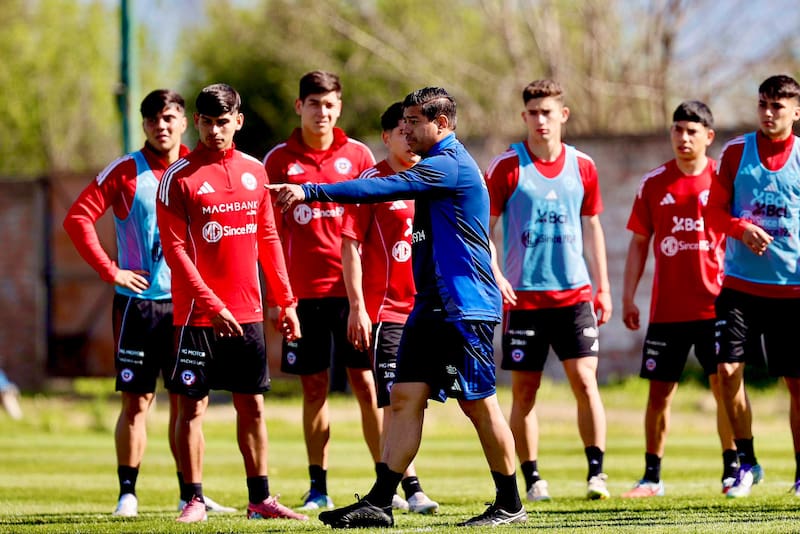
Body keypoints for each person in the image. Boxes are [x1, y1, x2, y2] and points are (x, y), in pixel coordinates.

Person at [268, 86, 527, 528]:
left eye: (412, 121)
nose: (404, 129)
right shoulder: (433, 164)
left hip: (463, 307)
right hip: (430, 307)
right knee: (404, 398)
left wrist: (310, 191)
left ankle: (509, 504)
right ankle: (380, 502)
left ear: (440, 124)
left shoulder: (449, 164)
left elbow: (382, 187)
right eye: (402, 121)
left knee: (479, 405)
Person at [63, 89, 234, 517]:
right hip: (138, 308)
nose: (162, 125)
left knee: (187, 402)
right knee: (137, 401)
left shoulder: (200, 169)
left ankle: (190, 494)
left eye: (170, 117)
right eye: (153, 118)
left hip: (187, 308)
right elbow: (78, 218)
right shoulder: (126, 171)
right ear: (144, 124)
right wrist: (111, 270)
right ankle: (128, 494)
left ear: (185, 122)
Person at [155, 83, 307, 523]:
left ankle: (260, 500)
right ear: (197, 122)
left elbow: (268, 238)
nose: (215, 131)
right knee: (192, 406)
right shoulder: (177, 178)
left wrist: (286, 302)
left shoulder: (255, 171)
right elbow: (175, 251)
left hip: (247, 314)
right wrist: (211, 304)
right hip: (196, 316)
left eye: (223, 122)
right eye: (207, 122)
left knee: (253, 406)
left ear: (238, 121)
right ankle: (193, 499)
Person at [484, 79, 612, 501]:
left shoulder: (583, 165)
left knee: (585, 381)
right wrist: (496, 273)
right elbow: (484, 228)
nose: (541, 120)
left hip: (574, 295)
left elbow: (593, 226)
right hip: (524, 298)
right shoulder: (507, 167)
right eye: (533, 113)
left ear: (563, 115)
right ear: (524, 116)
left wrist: (603, 288)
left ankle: (596, 474)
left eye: (548, 112)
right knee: (525, 391)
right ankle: (533, 477)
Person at [263, 70, 381, 511]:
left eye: (330, 104)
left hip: (353, 296)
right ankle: (318, 487)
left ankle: (386, 481)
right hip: (303, 298)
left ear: (340, 107)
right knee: (314, 390)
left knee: (367, 386)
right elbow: (268, 234)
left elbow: (374, 228)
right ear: (300, 107)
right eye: (314, 103)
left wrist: (368, 299)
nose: (322, 112)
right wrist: (279, 298)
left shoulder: (359, 155)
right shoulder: (278, 160)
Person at [620, 101, 739, 497]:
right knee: (659, 394)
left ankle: (732, 471)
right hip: (667, 311)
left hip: (715, 307)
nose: (683, 138)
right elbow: (639, 243)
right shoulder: (654, 183)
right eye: (677, 130)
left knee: (724, 389)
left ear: (709, 136)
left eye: (692, 131)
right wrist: (628, 297)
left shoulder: (723, 180)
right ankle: (651, 477)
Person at [340, 102, 438, 515]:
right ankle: (409, 488)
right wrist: (358, 307)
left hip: (429, 309)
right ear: (386, 137)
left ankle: (391, 488)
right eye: (402, 130)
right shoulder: (372, 182)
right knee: (396, 401)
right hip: (388, 313)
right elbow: (350, 245)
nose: (409, 137)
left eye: (414, 128)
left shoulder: (432, 177)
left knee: (420, 400)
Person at [706, 74, 800, 498]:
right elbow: (713, 213)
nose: (768, 112)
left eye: (777, 106)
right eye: (763, 104)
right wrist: (740, 229)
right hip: (740, 287)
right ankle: (746, 463)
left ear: (795, 112)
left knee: (796, 385)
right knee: (727, 373)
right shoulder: (735, 152)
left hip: (792, 291)